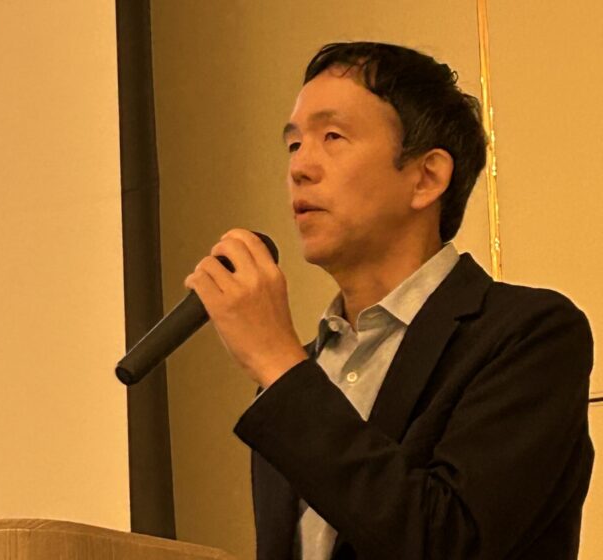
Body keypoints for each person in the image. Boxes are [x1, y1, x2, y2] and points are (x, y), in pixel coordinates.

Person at [183, 42, 594, 560]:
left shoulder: (529, 334)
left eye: (332, 137)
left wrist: (277, 364)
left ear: (426, 177)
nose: (300, 167)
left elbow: (446, 543)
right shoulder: (302, 372)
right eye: (294, 144)